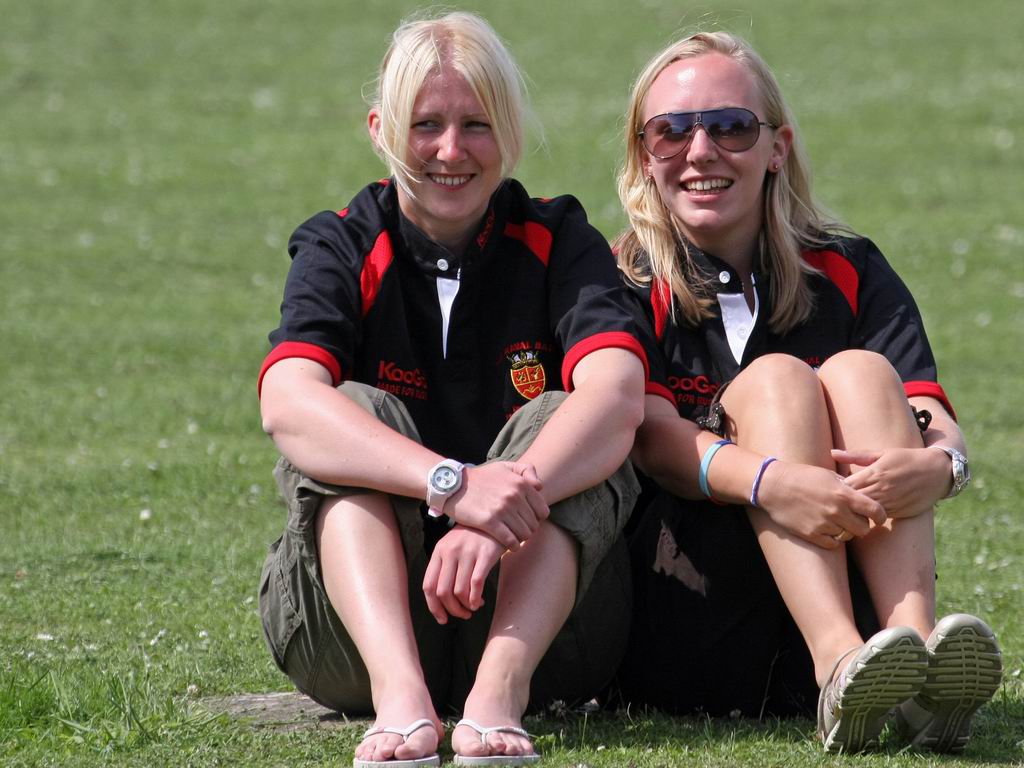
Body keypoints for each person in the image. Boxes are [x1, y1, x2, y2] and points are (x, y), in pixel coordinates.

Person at [256, 11, 649, 767]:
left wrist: (496, 513)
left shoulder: (561, 239)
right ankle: (400, 696)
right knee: (352, 409)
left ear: (511, 132)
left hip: (547, 641)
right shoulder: (340, 241)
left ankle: (498, 694)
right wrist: (454, 485)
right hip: (347, 646)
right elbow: (287, 400)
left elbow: (618, 396)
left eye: (476, 124)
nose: (450, 150)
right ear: (380, 130)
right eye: (425, 125)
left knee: (563, 417)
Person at [613, 30, 1002, 753]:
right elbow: (650, 438)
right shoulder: (623, 278)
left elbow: (929, 411)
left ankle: (914, 666)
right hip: (692, 617)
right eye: (671, 132)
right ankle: (838, 667)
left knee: (862, 373)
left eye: (731, 126)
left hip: (858, 592)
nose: (701, 151)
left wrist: (941, 465)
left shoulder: (848, 265)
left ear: (777, 147)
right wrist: (773, 482)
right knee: (779, 379)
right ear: (644, 156)